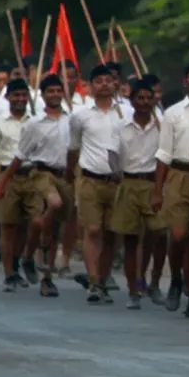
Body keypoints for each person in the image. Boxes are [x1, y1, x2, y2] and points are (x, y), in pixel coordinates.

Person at [152, 61, 189, 316]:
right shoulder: (173, 113)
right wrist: (158, 189)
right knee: (177, 235)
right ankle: (176, 278)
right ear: (185, 81)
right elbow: (163, 153)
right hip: (178, 174)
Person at [8, 74, 70, 297]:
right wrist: (3, 182)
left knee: (53, 230)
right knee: (52, 206)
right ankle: (28, 255)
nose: (54, 95)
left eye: (58, 90)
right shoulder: (34, 124)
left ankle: (47, 277)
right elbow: (20, 155)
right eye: (50, 91)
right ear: (42, 96)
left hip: (64, 176)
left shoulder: (71, 120)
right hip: (41, 175)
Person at [69, 64, 125, 303]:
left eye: (108, 80)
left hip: (118, 181)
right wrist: (72, 173)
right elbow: (73, 147)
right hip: (90, 178)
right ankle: (93, 282)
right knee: (92, 230)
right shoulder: (80, 115)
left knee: (112, 232)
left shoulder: (126, 113)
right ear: (90, 86)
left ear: (115, 84)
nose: (104, 84)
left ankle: (102, 278)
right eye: (98, 80)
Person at [110, 80, 166, 310]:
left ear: (154, 100)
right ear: (132, 101)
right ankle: (134, 289)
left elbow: (166, 156)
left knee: (160, 233)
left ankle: (153, 281)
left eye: (148, 98)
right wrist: (117, 176)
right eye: (139, 98)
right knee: (131, 239)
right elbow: (112, 154)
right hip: (129, 181)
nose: (144, 103)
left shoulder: (162, 126)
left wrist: (160, 189)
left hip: (153, 183)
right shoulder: (121, 126)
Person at [0, 79, 35, 292]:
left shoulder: (34, 122)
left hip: (31, 175)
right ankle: (9, 274)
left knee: (28, 224)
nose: (20, 99)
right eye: (16, 95)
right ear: (8, 98)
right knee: (7, 227)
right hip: (6, 176)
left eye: (24, 95)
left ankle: (18, 262)